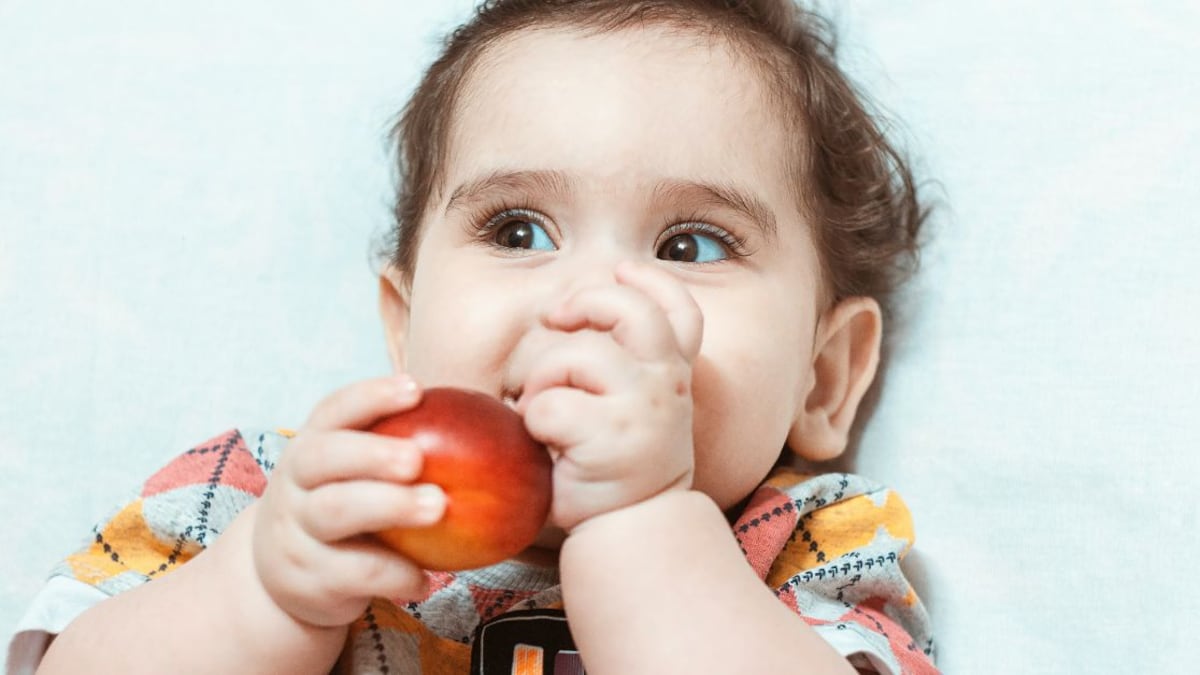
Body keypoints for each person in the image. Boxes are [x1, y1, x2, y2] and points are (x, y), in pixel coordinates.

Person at [17, 1, 936, 672]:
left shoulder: (811, 552)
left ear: (823, 380)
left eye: (688, 245)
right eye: (517, 231)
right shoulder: (273, 500)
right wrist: (262, 596)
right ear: (405, 327)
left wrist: (642, 527)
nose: (585, 302)